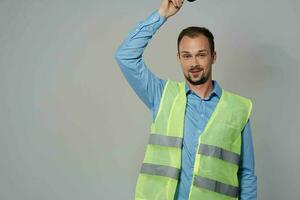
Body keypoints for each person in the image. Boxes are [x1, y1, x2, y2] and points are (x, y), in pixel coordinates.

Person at [115, 0, 257, 199]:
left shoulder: (238, 108)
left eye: (201, 55)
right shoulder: (162, 95)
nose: (194, 63)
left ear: (213, 56)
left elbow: (246, 174)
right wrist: (161, 14)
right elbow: (125, 56)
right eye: (187, 56)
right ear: (179, 58)